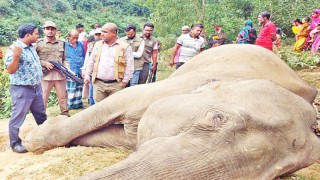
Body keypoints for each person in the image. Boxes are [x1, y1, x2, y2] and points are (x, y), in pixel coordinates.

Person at [4, 23, 47, 153]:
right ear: (28, 35)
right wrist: (16, 55)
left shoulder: (31, 47)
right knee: (17, 117)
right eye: (36, 33)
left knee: (41, 116)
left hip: (36, 88)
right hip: (22, 89)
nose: (38, 36)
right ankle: (15, 144)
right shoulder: (14, 49)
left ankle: (46, 135)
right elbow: (10, 70)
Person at [84, 23, 134, 103]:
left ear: (114, 33)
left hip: (116, 84)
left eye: (105, 32)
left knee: (115, 109)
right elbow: (91, 61)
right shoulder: (98, 45)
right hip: (98, 84)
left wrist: (125, 81)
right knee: (99, 109)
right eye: (102, 31)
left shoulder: (125, 47)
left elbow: (129, 65)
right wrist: (87, 74)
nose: (102, 34)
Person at [35, 21, 70, 117]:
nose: (50, 31)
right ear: (44, 30)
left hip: (60, 75)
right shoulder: (38, 43)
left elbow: (64, 59)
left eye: (52, 29)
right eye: (47, 29)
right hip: (45, 76)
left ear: (56, 30)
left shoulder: (62, 43)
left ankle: (65, 114)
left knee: (63, 97)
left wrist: (67, 69)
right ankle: (41, 118)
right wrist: (44, 63)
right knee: (43, 98)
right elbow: (33, 59)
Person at [65, 29, 85, 109]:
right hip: (70, 70)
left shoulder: (80, 44)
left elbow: (83, 55)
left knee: (79, 87)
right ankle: (69, 105)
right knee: (71, 88)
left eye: (77, 37)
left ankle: (78, 104)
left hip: (79, 69)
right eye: (74, 37)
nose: (75, 40)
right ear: (68, 37)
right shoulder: (64, 45)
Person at [82, 28, 102, 105]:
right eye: (96, 34)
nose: (98, 36)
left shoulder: (106, 44)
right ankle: (92, 107)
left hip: (101, 73)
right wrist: (84, 70)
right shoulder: (91, 45)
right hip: (92, 71)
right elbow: (87, 58)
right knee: (91, 91)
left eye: (99, 34)